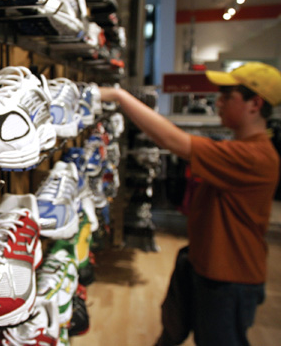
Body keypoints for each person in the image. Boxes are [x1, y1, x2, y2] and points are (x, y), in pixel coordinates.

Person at [99, 62, 281, 345]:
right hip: (205, 264)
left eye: (227, 95)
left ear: (255, 103)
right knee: (172, 333)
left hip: (228, 278)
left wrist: (120, 96)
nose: (217, 102)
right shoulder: (240, 149)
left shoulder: (254, 156)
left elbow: (174, 141)